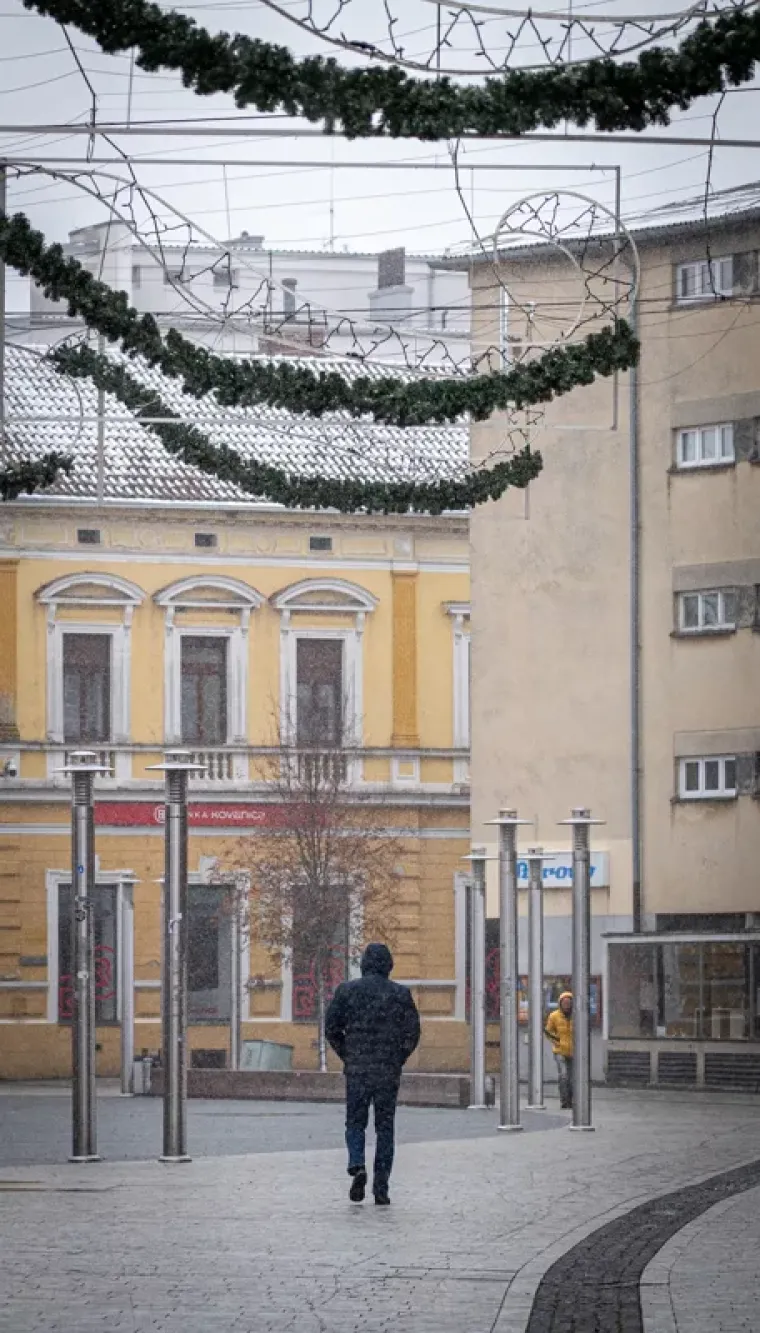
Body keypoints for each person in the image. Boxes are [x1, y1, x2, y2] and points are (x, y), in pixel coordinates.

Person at [325, 942, 420, 1206]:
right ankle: (381, 1188)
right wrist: (397, 1058)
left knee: (355, 1123)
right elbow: (412, 1033)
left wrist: (349, 1054)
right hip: (387, 1072)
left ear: (364, 964)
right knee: (384, 1128)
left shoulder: (347, 992)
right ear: (389, 965)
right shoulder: (400, 994)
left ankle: (357, 1164)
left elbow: (331, 1028)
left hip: (357, 1070)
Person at [544, 991, 574, 1110]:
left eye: (569, 1003)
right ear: (560, 1003)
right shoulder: (554, 1016)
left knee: (572, 1078)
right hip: (560, 1051)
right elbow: (548, 1031)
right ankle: (564, 1100)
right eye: (565, 1003)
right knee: (564, 1075)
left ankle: (570, 1099)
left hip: (573, 1051)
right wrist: (558, 1041)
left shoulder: (576, 1016)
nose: (567, 1005)